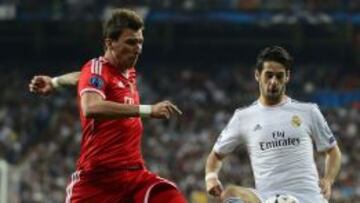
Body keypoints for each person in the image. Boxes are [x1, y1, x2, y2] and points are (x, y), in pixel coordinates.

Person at [29, 9, 187, 203]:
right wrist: (148, 110)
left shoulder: (128, 72)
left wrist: (55, 82)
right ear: (109, 43)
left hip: (134, 176)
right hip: (97, 181)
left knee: (170, 197)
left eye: (140, 42)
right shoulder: (97, 67)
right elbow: (91, 107)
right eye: (130, 42)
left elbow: (82, 77)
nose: (137, 49)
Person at [205, 46, 342, 203]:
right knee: (230, 194)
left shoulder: (308, 111)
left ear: (287, 76)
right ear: (257, 75)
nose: (273, 81)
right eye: (268, 75)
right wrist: (211, 177)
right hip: (267, 199)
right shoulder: (243, 117)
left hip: (308, 198)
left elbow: (333, 151)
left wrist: (328, 180)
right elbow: (216, 155)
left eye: (279, 76)